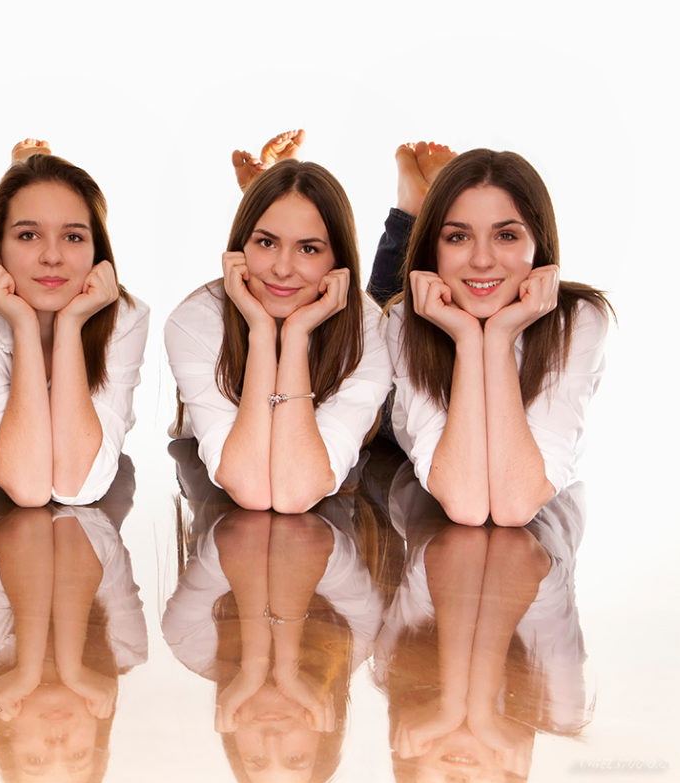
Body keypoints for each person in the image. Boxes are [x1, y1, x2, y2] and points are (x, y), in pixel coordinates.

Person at [384, 148, 613, 527]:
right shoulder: (403, 321)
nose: (482, 259)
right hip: (391, 411)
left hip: (456, 299)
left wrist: (499, 338)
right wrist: (468, 340)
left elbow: (515, 505)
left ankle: (424, 205)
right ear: (434, 249)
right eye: (457, 236)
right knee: (381, 298)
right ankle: (412, 206)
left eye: (506, 235)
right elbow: (466, 503)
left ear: (538, 243)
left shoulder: (579, 320)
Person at [165, 139, 393, 513]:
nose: (282, 268)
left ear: (338, 261)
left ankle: (412, 205)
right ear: (239, 247)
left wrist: (297, 332)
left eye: (309, 249)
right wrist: (261, 331)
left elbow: (295, 491)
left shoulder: (371, 332)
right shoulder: (195, 321)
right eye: (266, 242)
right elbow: (249, 486)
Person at [0, 141, 149, 507]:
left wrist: (70, 323)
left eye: (73, 237)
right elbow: (27, 486)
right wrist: (24, 324)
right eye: (28, 235)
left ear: (98, 252)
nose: (52, 257)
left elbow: (76, 486)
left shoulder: (126, 316)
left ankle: (27, 166)